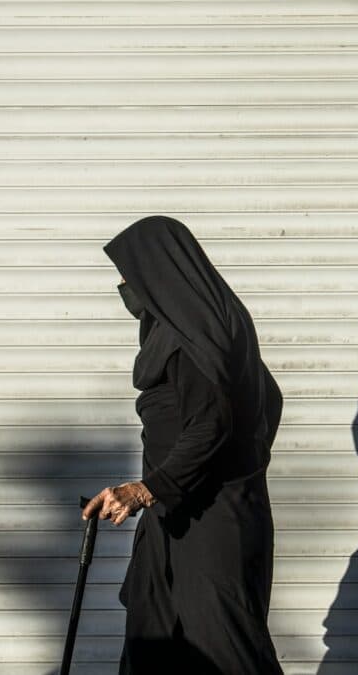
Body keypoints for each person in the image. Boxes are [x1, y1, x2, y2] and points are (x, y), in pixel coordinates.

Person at [81, 215, 285, 674]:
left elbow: (212, 422)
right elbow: (268, 400)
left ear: (158, 271)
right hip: (178, 520)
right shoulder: (204, 324)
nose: (123, 286)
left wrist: (147, 489)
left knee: (226, 654)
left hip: (210, 530)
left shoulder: (191, 334)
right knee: (154, 648)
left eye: (128, 275)